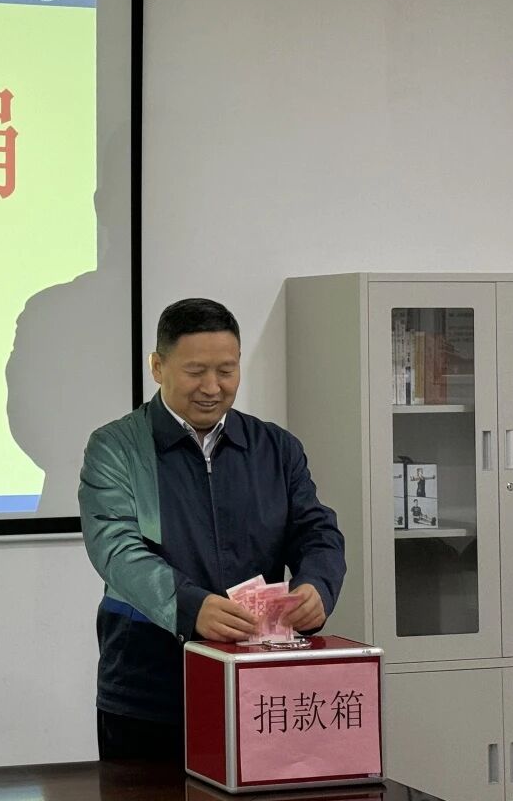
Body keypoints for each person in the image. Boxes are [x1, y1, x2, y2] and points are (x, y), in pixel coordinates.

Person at [78, 298, 345, 762]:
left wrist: (318, 584)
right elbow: (116, 549)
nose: (212, 387)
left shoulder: (276, 447)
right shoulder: (116, 447)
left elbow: (316, 529)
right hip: (148, 688)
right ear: (158, 367)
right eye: (195, 371)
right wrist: (189, 607)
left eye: (226, 371)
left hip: (257, 683)